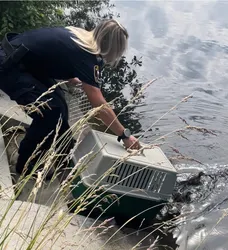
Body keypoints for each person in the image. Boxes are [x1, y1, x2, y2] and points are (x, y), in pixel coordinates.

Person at [0, 18, 141, 177]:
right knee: (49, 113)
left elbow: (54, 54)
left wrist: (70, 78)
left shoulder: (79, 35)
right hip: (9, 66)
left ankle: (56, 151)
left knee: (61, 107)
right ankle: (25, 164)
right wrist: (124, 135)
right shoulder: (88, 57)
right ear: (114, 48)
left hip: (17, 57)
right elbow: (100, 106)